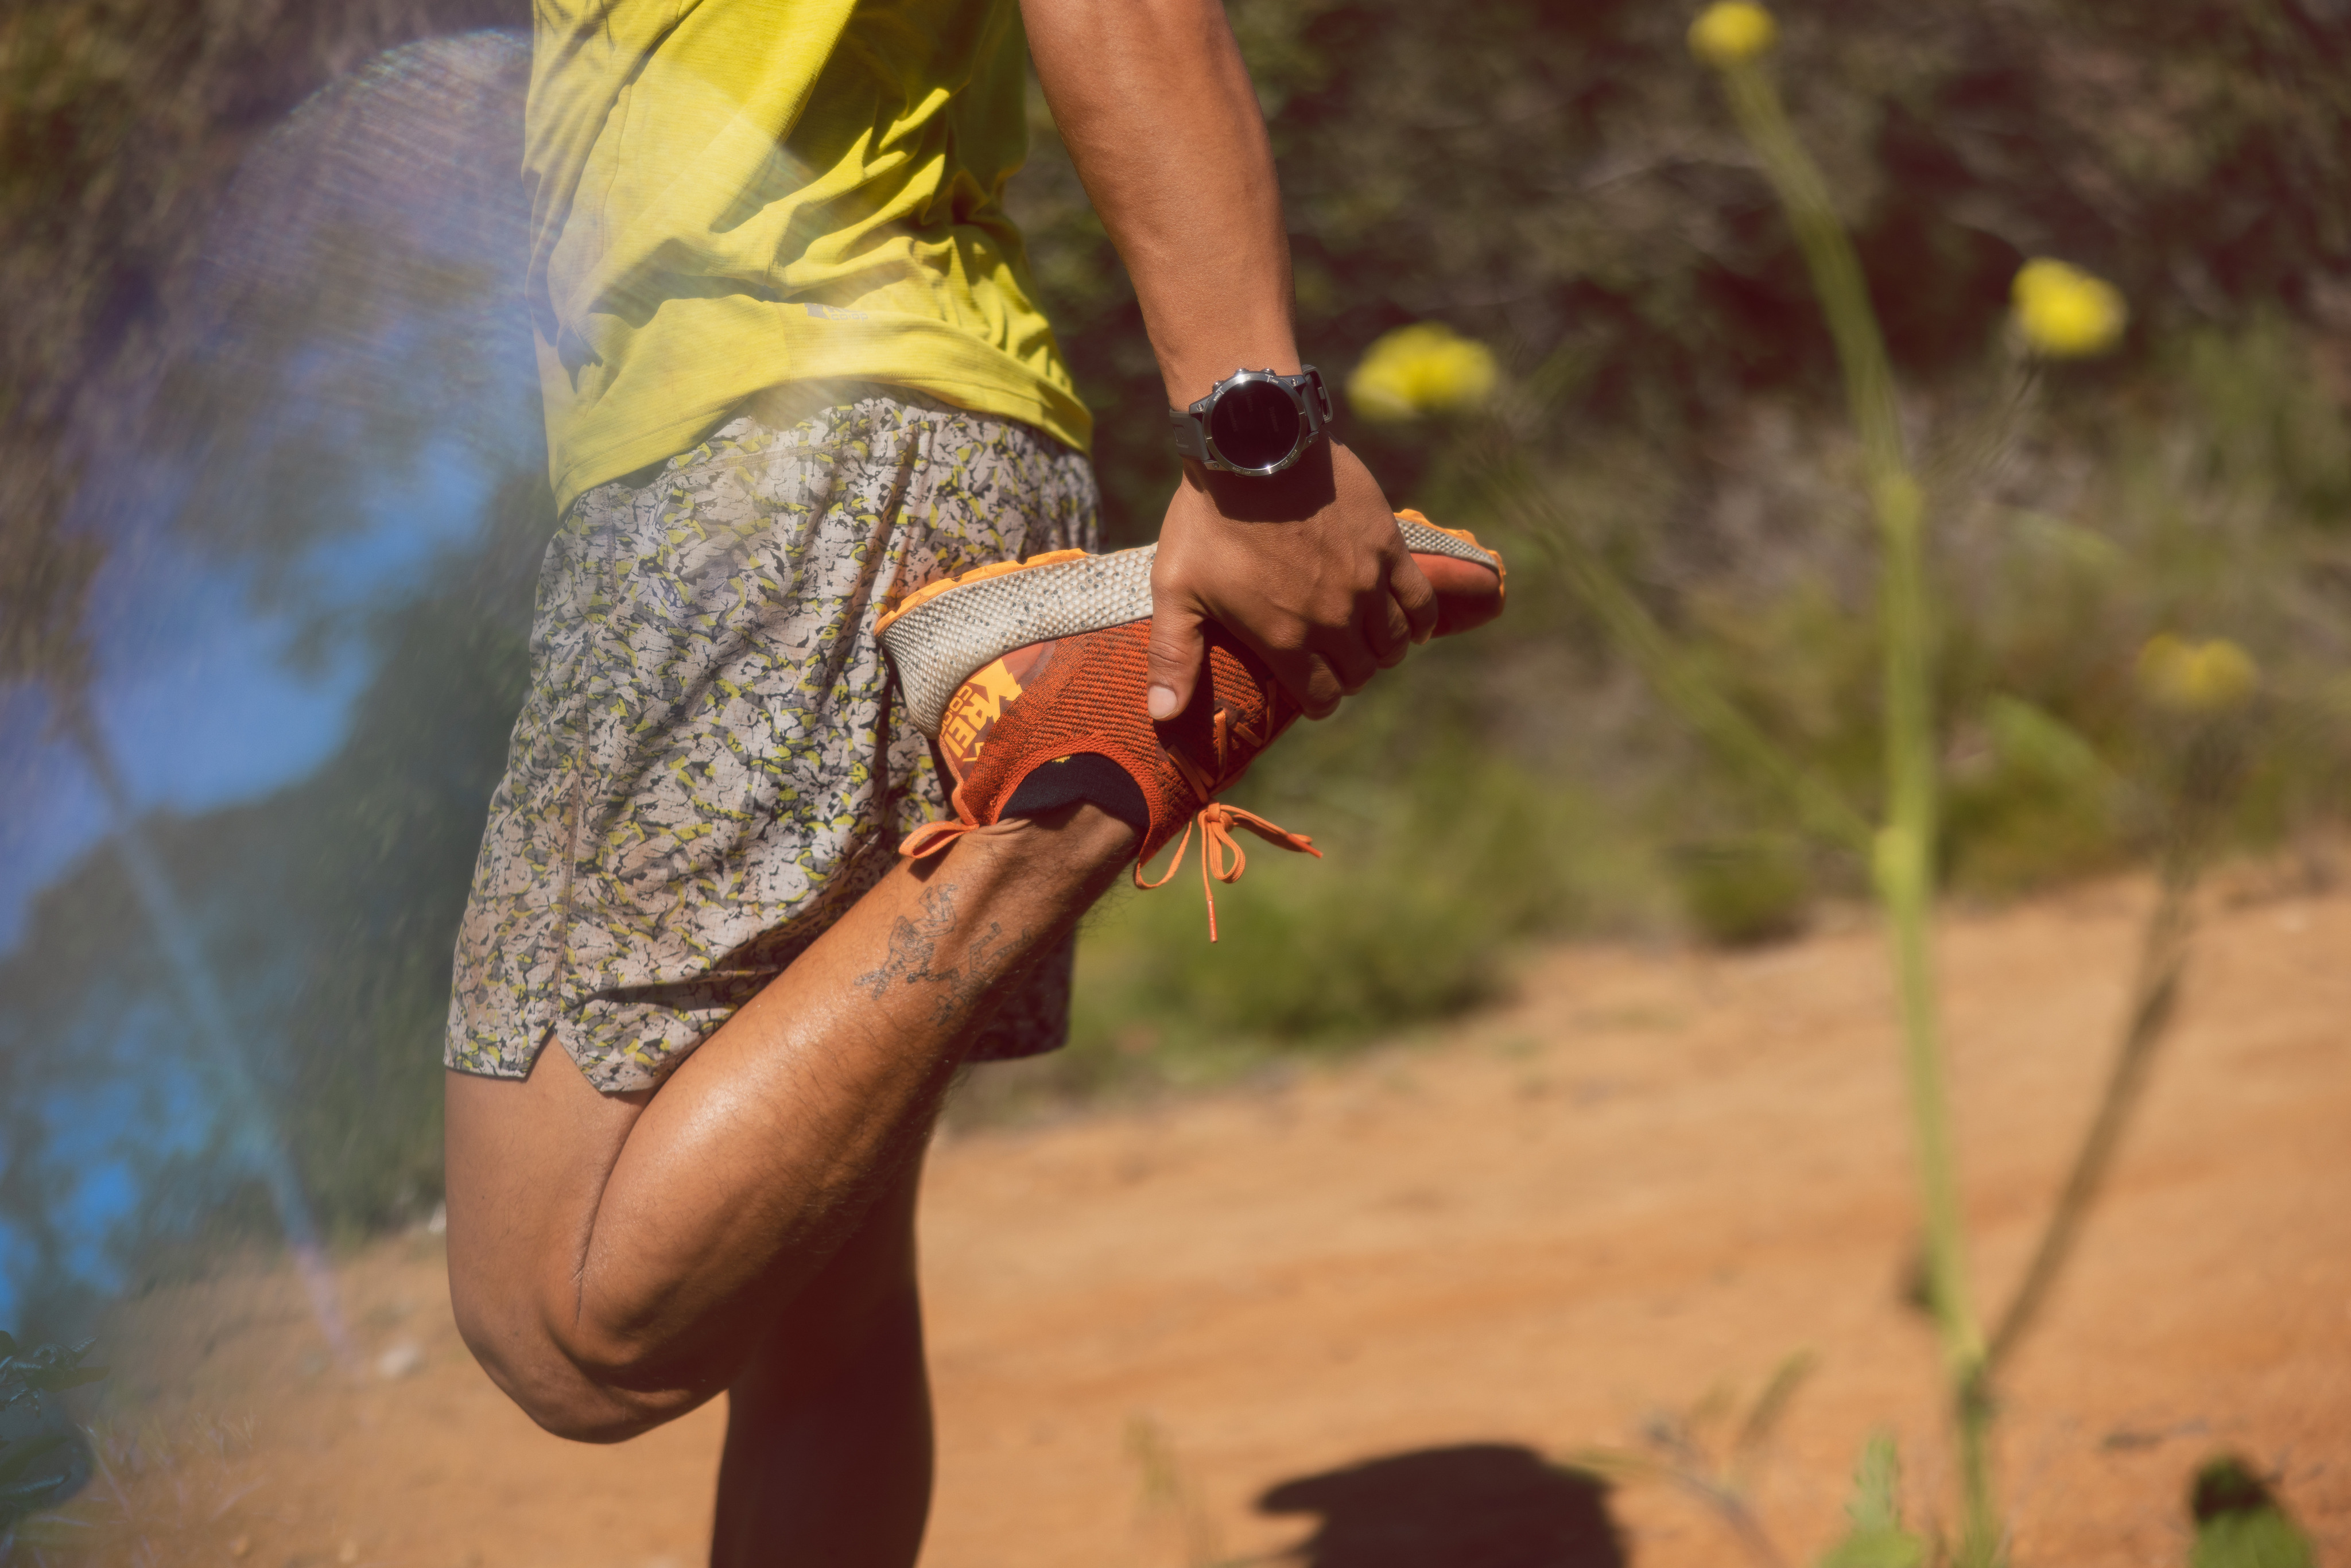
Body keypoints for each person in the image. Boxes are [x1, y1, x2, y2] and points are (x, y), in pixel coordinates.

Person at [440, 0, 1444, 1560]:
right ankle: (1077, 752)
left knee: (566, 1315)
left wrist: (1263, 457)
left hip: (765, 448)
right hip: (913, 439)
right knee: (822, 1296)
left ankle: (1077, 791)